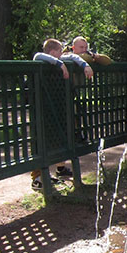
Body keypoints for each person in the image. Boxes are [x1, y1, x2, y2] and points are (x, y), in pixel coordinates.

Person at [31, 38, 94, 190]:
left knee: (58, 137)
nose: (62, 53)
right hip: (42, 108)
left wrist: (85, 65)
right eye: (60, 51)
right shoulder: (43, 59)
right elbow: (38, 56)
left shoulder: (61, 58)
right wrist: (59, 63)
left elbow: (72, 56)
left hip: (56, 107)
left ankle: (58, 170)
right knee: (41, 141)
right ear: (53, 52)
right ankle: (37, 178)